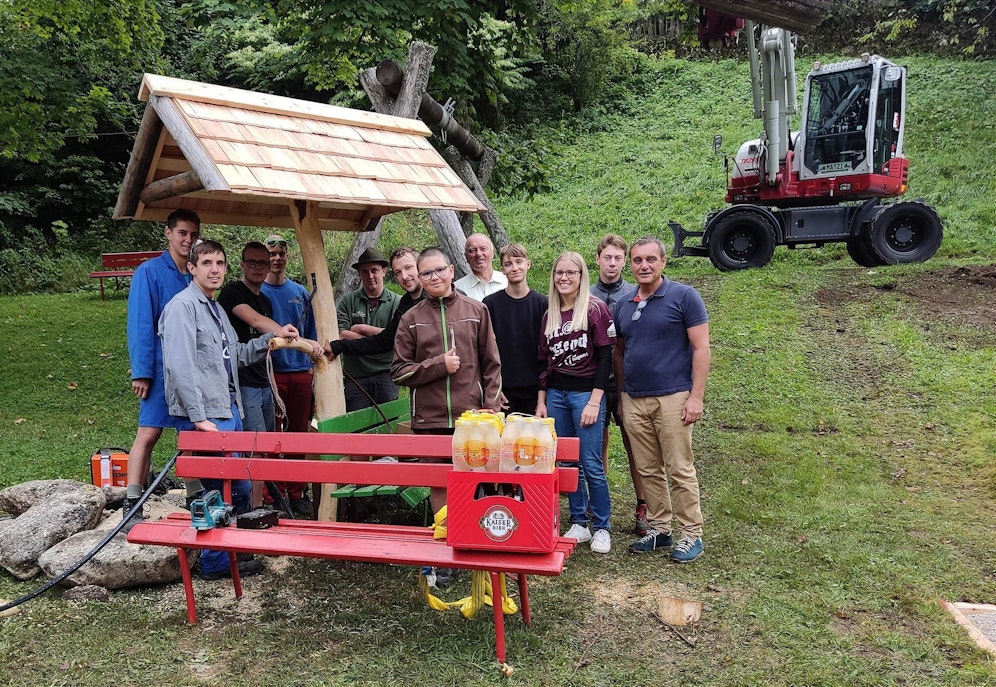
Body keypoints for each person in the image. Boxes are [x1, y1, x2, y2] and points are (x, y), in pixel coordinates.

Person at [160, 239, 299, 579]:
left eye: (219, 263)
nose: (214, 270)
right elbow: (180, 366)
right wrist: (198, 418)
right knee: (228, 488)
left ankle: (223, 557)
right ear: (192, 268)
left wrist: (271, 339)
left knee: (224, 488)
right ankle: (215, 560)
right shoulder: (183, 307)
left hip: (227, 409)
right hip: (205, 417)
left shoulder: (216, 309)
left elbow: (234, 355)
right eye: (206, 263)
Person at [615, 236, 710, 563]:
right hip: (635, 399)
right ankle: (659, 528)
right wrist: (622, 394)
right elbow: (619, 350)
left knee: (679, 467)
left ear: (663, 262)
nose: (644, 266)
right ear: (631, 264)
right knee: (647, 467)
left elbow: (701, 348)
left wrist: (695, 396)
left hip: (673, 397)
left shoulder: (684, 297)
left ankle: (691, 533)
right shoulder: (624, 303)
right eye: (638, 260)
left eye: (650, 259)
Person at [392, 247, 502, 514]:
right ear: (419, 278)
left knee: (477, 479)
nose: (435, 277)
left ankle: (475, 538)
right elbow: (398, 372)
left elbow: (492, 364)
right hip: (430, 419)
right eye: (427, 273)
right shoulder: (411, 319)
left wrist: (492, 407)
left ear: (451, 271)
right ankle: (446, 537)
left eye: (440, 270)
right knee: (439, 483)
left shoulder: (477, 310)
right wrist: (438, 364)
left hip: (473, 417)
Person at [218, 241, 321, 514]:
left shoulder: (266, 298)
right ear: (240, 265)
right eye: (252, 262)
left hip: (265, 380)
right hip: (243, 384)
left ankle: (269, 502)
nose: (258, 268)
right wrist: (298, 338)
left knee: (268, 444)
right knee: (254, 446)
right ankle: (254, 507)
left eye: (262, 263)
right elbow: (255, 321)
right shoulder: (231, 292)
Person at [123, 209, 201, 525]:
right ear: (168, 233)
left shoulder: (195, 274)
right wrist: (142, 371)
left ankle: (195, 496)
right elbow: (140, 323)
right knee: (149, 432)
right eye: (183, 233)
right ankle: (132, 501)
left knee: (191, 434)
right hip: (158, 368)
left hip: (191, 373)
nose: (188, 240)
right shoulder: (150, 272)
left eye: (194, 234)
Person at [536, 251, 615, 554]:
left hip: (586, 394)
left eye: (571, 273)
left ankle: (602, 526)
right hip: (557, 394)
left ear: (582, 276)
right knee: (567, 461)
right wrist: (542, 400)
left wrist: (596, 401)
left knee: (591, 462)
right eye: (559, 273)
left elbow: (606, 358)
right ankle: (579, 521)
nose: (564, 278)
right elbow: (543, 361)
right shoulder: (550, 314)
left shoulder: (595, 309)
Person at [591, 234, 648, 536]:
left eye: (618, 258)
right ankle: (599, 507)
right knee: (596, 448)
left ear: (624, 260)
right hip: (596, 384)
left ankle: (644, 505)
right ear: (597, 259)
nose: (612, 263)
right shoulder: (585, 294)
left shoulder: (637, 293)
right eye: (607, 257)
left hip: (630, 384)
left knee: (636, 447)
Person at [261, 234, 320, 516]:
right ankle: (274, 494)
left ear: (287, 256)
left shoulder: (299, 292)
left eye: (280, 253)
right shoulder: (257, 293)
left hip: (299, 373)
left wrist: (310, 367)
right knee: (273, 434)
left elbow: (311, 336)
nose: (276, 258)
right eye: (271, 253)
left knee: (298, 433)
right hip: (272, 374)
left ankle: (297, 492)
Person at [326, 247, 424, 360]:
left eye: (408, 267)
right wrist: (338, 346)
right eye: (398, 273)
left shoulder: (435, 298)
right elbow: (386, 340)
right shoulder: (405, 304)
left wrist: (362, 328)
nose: (404, 276)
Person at [482, 243, 547, 415]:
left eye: (519, 262)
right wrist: (494, 388)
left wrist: (542, 394)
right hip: (504, 392)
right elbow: (485, 350)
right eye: (508, 264)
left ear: (528, 264)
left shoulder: (542, 304)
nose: (514, 268)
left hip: (535, 391)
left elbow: (546, 352)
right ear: (502, 269)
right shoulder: (490, 304)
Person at [336, 247, 401, 411]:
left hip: (386, 374)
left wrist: (361, 328)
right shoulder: (347, 301)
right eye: (365, 271)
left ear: (384, 271)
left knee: (389, 424)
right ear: (359, 274)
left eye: (374, 270)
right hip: (355, 376)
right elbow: (341, 334)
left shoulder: (397, 302)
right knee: (356, 427)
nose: (370, 276)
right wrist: (381, 338)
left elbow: (398, 338)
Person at [453, 233, 507, 301]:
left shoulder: (508, 281)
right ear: (466, 257)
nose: (478, 254)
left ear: (492, 253)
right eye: (472, 250)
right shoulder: (457, 289)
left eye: (483, 249)